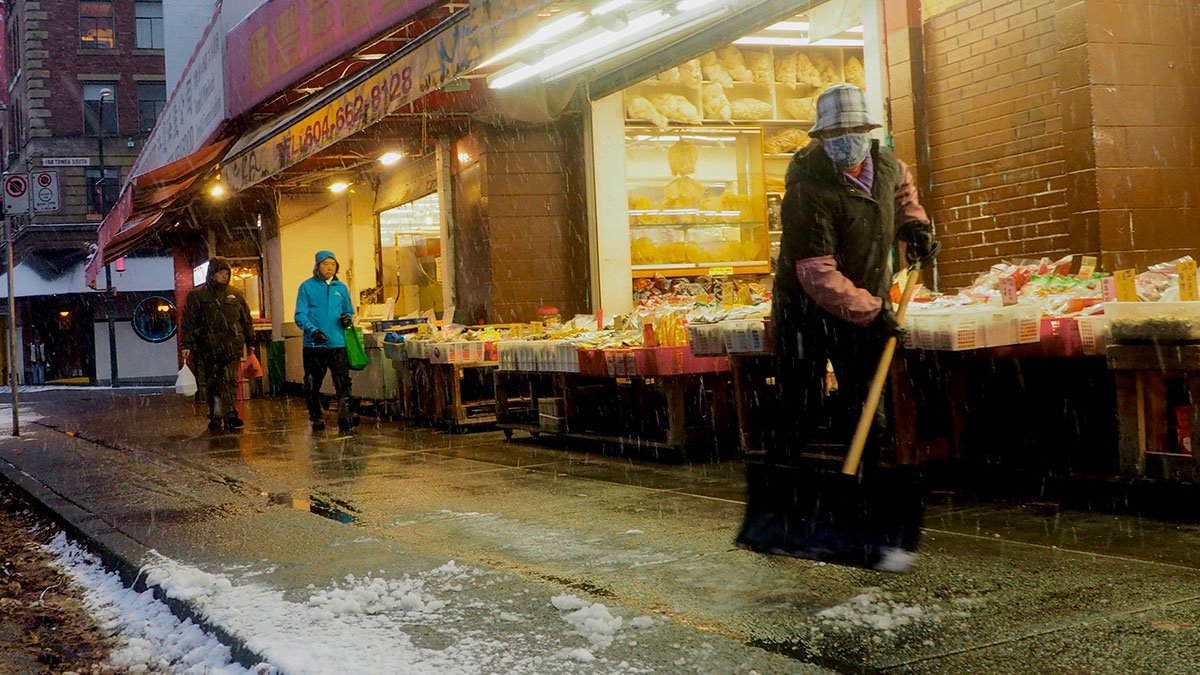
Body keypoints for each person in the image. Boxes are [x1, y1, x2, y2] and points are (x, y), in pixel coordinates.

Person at [772, 84, 939, 466]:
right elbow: (816, 273)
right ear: (821, 137)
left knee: (866, 406)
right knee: (801, 406)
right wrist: (874, 311)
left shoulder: (887, 167)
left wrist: (916, 229)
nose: (846, 141)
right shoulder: (806, 191)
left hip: (863, 300)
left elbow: (902, 198)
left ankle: (860, 488)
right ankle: (790, 488)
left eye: (855, 131)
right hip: (805, 312)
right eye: (835, 134)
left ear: (869, 132)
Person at [180, 257, 255, 431]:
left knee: (229, 381)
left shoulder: (235, 294)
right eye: (220, 273)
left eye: (226, 273)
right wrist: (187, 344)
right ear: (212, 275)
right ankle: (215, 414)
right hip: (208, 347)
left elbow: (245, 319)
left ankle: (230, 415)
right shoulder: (198, 296)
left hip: (232, 346)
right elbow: (189, 320)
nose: (224, 276)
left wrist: (250, 340)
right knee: (213, 383)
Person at [295, 250, 357, 432]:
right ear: (317, 266)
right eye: (325, 264)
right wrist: (312, 331)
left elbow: (349, 311)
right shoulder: (307, 287)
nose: (329, 267)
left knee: (343, 381)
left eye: (333, 264)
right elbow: (300, 314)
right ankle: (316, 416)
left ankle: (345, 415)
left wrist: (348, 318)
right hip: (314, 345)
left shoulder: (341, 288)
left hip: (337, 343)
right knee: (313, 382)